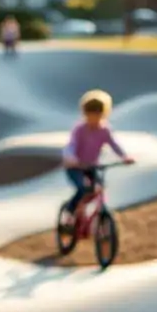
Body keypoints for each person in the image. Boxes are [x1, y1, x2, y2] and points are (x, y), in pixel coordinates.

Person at [60, 89, 135, 225]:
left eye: (97, 114)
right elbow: (72, 145)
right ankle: (70, 212)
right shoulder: (80, 129)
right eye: (90, 114)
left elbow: (114, 144)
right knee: (83, 188)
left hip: (92, 166)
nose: (93, 117)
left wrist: (124, 157)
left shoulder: (104, 130)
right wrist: (72, 159)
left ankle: (84, 210)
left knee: (99, 188)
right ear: (85, 113)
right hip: (76, 167)